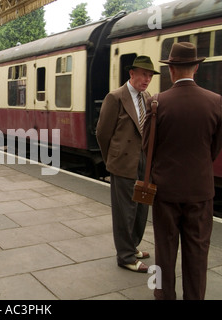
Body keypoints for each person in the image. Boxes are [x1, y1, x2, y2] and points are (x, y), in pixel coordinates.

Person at [143, 42, 222, 300]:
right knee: (198, 253)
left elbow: (147, 148)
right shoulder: (216, 102)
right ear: (196, 67)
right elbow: (215, 148)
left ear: (171, 69)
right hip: (200, 192)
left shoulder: (157, 103)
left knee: (164, 252)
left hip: (165, 192)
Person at [96, 56, 159, 273]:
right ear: (131, 73)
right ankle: (125, 256)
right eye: (143, 74)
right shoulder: (115, 97)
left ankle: (132, 246)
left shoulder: (147, 97)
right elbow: (102, 133)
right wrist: (112, 159)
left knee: (142, 206)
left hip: (143, 160)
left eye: (150, 75)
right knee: (125, 211)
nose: (147, 79)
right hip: (123, 161)